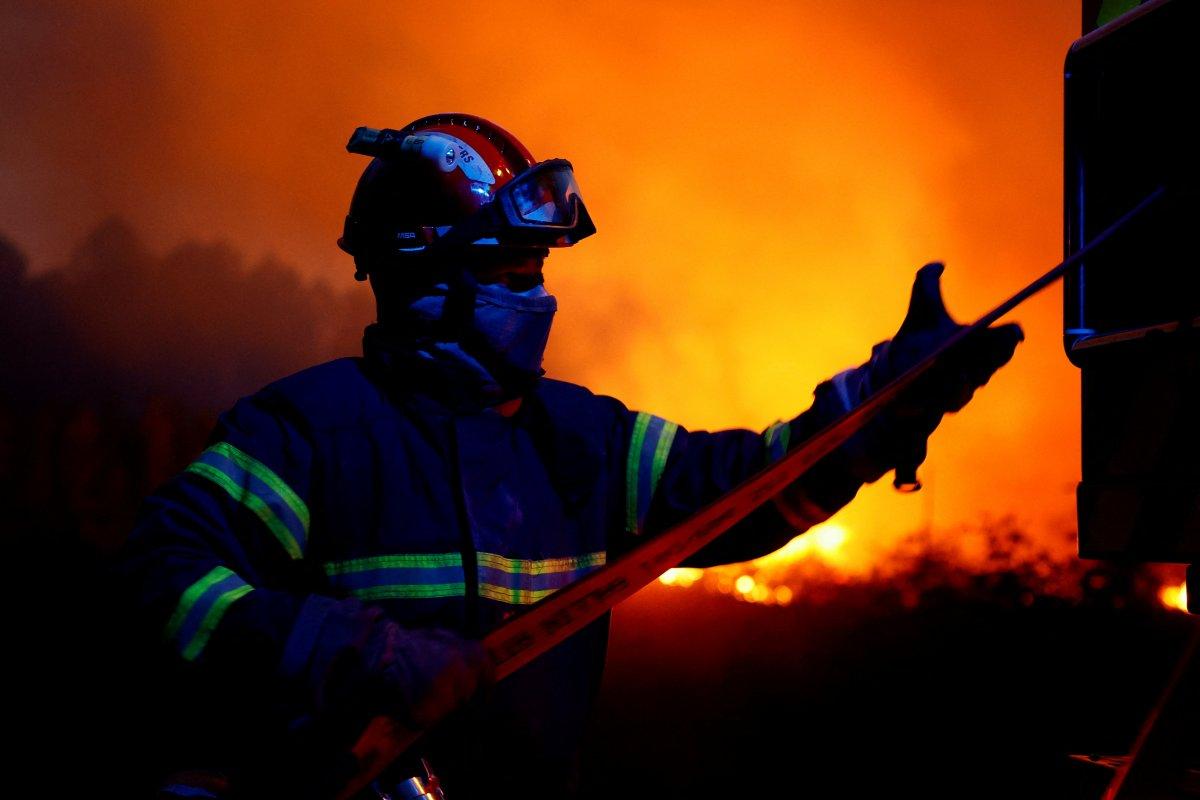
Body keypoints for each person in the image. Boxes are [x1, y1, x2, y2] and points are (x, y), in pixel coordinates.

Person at [119, 113, 1022, 799]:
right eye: (513, 272)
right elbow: (162, 581)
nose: (537, 294)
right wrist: (361, 651)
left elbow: (738, 492)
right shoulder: (307, 431)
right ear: (424, 271)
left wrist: (882, 404)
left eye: (539, 271)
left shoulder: (578, 436)